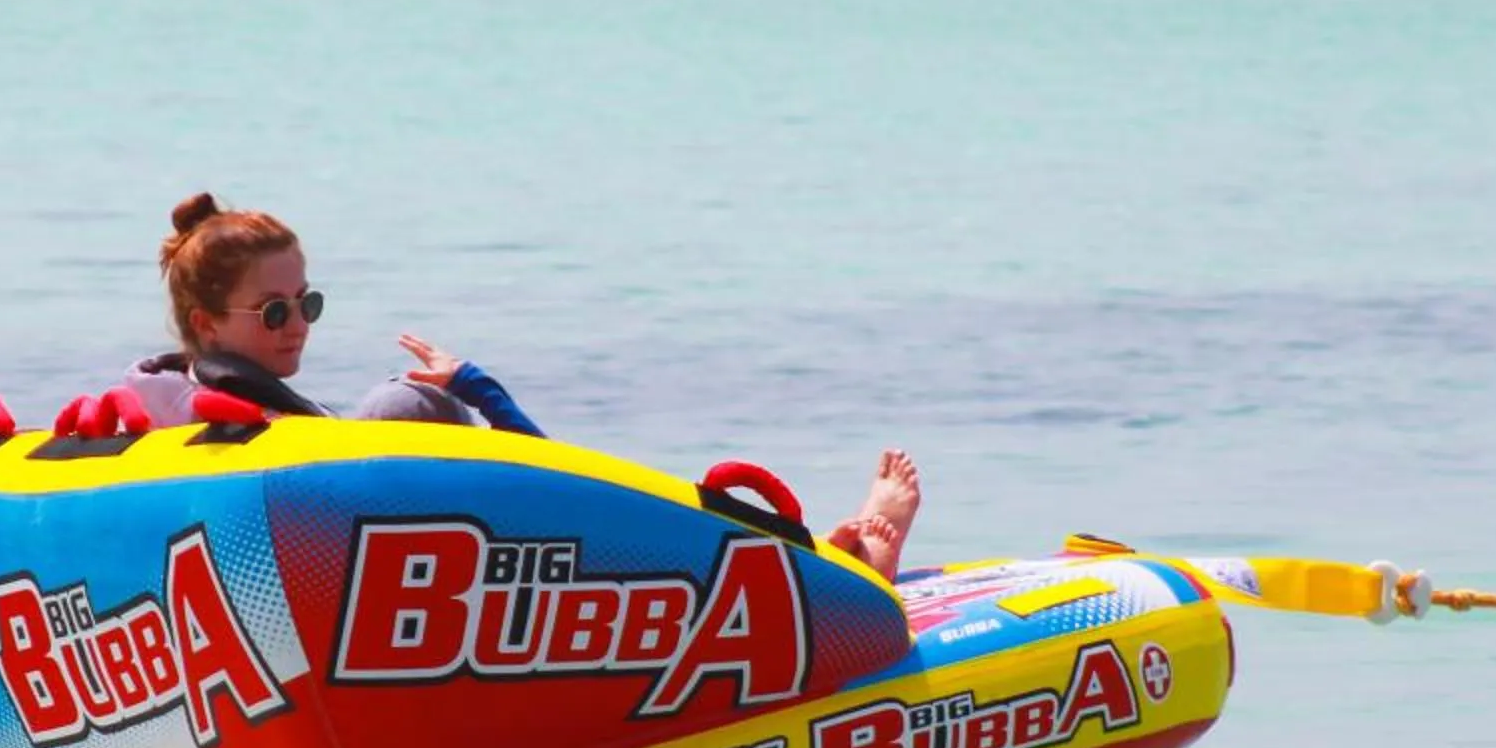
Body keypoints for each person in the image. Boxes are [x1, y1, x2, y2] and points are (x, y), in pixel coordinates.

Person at [129, 192, 921, 578]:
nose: (297, 325)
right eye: (274, 310)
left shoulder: (207, 411)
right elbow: (552, 483)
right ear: (206, 324)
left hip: (430, 599)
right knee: (407, 404)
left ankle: (828, 570)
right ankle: (836, 571)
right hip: (427, 600)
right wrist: (479, 394)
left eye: (307, 304)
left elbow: (545, 492)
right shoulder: (219, 427)